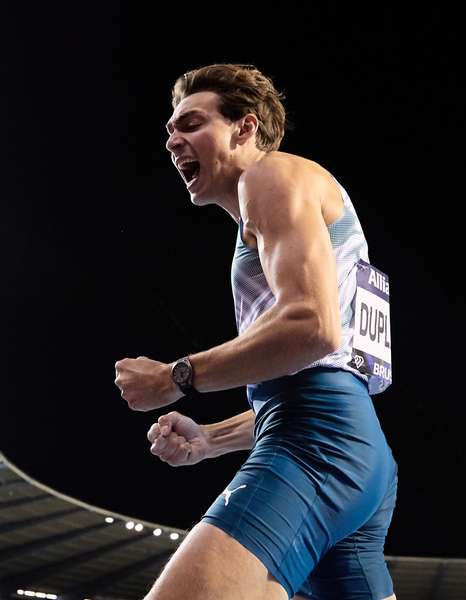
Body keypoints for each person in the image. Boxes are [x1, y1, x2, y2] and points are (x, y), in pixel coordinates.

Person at [113, 64, 398, 600]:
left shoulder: (270, 176)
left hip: (317, 444)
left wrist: (178, 376)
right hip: (355, 449)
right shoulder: (279, 209)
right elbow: (316, 371)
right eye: (169, 130)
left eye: (191, 124)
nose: (172, 140)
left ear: (244, 128)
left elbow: (313, 328)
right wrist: (210, 440)